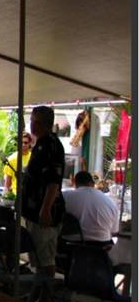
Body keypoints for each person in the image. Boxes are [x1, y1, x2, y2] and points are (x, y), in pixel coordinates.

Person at [21, 105, 66, 289]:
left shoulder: (51, 145)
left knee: (45, 258)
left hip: (44, 210)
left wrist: (46, 209)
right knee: (37, 258)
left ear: (43, 124)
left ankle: (47, 298)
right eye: (32, 120)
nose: (32, 125)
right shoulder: (40, 144)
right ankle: (39, 295)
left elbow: (53, 181)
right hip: (33, 209)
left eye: (35, 121)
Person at [63, 171, 119, 246]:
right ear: (93, 184)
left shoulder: (65, 196)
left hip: (72, 244)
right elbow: (114, 231)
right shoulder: (110, 201)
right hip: (102, 246)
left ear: (75, 183)